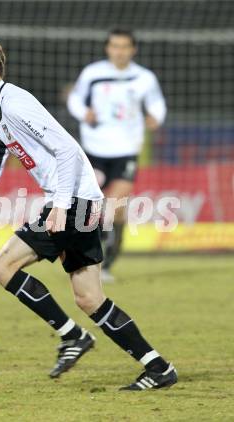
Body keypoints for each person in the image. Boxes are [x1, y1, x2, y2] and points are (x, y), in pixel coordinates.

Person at [0, 32, 176, 390]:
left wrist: (60, 205)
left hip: (73, 201)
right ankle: (158, 368)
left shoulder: (15, 103)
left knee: (2, 266)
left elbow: (68, 151)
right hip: (76, 200)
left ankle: (73, 336)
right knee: (89, 297)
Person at [67, 28, 167, 283]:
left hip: (126, 150)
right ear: (108, 48)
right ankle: (83, 254)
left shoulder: (144, 78)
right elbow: (75, 99)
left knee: (115, 206)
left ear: (133, 50)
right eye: (115, 46)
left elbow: (157, 103)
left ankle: (106, 264)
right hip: (94, 149)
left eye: (124, 46)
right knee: (88, 205)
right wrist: (83, 113)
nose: (119, 51)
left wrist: (156, 116)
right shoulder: (93, 73)